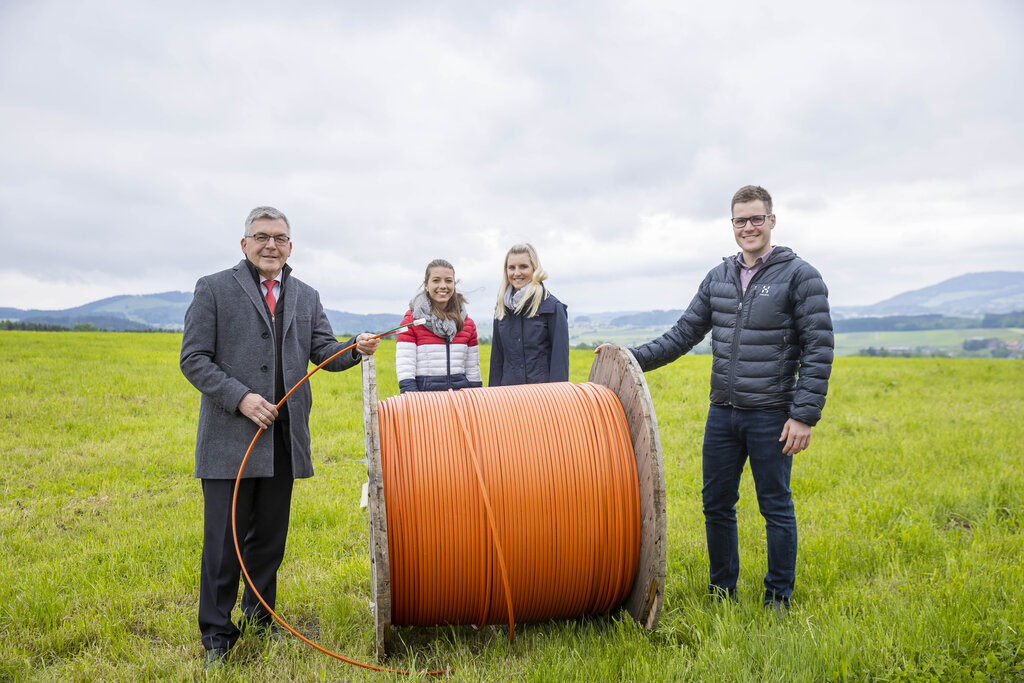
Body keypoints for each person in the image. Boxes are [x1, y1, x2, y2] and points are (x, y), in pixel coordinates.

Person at [180, 206, 380, 669]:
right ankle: (216, 636)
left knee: (269, 540)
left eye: (280, 237)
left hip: (284, 438)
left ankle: (260, 618)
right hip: (230, 437)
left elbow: (324, 353)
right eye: (262, 236)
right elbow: (194, 359)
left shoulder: (306, 295)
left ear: (291, 246)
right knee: (224, 543)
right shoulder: (213, 288)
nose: (271, 244)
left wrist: (355, 347)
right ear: (245, 243)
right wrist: (241, 398)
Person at [621, 185, 833, 613]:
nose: (749, 227)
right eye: (741, 220)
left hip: (773, 414)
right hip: (723, 413)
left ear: (772, 221)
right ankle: (722, 592)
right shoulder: (718, 278)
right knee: (716, 504)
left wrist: (804, 415)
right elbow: (683, 334)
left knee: (775, 505)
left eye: (757, 218)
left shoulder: (800, 276)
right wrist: (628, 360)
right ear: (732, 225)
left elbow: (819, 347)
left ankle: (778, 597)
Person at [395, 258, 482, 392]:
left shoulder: (468, 324)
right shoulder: (411, 322)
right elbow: (405, 368)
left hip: (460, 403)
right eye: (436, 280)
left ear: (454, 284)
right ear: (426, 284)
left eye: (448, 280)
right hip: (425, 402)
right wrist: (413, 400)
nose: (443, 286)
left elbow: (473, 370)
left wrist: (476, 398)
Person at [489, 243, 570, 386]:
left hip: (541, 396)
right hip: (507, 396)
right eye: (511, 267)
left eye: (523, 266)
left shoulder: (552, 307)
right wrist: (491, 397)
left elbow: (560, 363)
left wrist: (558, 400)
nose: (517, 273)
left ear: (534, 268)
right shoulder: (501, 308)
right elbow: (497, 359)